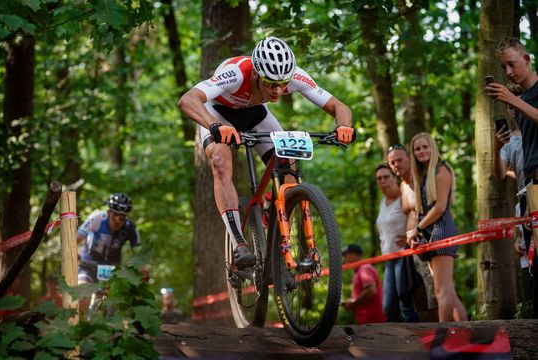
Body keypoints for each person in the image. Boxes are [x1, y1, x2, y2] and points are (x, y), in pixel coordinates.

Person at [177, 36, 354, 270]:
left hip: (255, 113)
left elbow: (339, 107)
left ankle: (278, 229)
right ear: (256, 74)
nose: (279, 91)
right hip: (217, 112)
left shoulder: (292, 75)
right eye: (271, 84)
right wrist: (214, 126)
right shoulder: (236, 73)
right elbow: (188, 99)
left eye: (283, 84)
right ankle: (239, 243)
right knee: (220, 160)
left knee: (289, 164)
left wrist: (343, 126)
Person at [488, 37, 538, 317]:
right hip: (529, 188)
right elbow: (498, 172)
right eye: (503, 67)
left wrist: (513, 100)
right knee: (534, 261)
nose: (508, 72)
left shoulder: (527, 96)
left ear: (527, 59)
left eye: (512, 64)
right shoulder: (522, 99)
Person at [406, 133, 467, 322]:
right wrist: (419, 232)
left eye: (425, 147)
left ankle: (445, 335)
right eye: (417, 149)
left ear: (433, 148)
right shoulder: (423, 174)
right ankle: (466, 331)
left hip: (441, 231)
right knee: (449, 292)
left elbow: (440, 207)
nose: (421, 151)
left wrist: (417, 228)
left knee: (441, 292)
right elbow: (424, 210)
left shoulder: (442, 169)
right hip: (429, 233)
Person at [387, 144, 438, 321]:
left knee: (435, 292)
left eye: (399, 160)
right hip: (412, 246)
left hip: (428, 240)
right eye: (392, 162)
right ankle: (429, 336)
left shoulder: (422, 180)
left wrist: (421, 233)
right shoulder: (403, 186)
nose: (396, 165)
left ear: (409, 158)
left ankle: (447, 334)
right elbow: (408, 214)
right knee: (419, 296)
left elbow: (435, 210)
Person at [374, 164, 419, 322]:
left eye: (386, 177)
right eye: (379, 178)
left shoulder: (403, 197)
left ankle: (416, 341)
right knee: (388, 307)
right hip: (388, 260)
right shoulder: (382, 202)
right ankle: (393, 342)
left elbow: (415, 213)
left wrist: (409, 234)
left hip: (403, 257)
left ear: (395, 177)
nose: (383, 181)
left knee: (405, 304)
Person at [77, 193, 140, 285]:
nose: (118, 221)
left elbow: (139, 253)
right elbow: (75, 240)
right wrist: (74, 254)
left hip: (111, 269)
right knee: (82, 289)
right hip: (88, 265)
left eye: (122, 218)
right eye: (115, 216)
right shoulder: (96, 218)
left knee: (108, 296)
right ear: (108, 212)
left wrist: (141, 268)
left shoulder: (130, 227)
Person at [341, 244, 385, 324]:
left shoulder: (364, 268)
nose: (345, 258)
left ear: (355, 255)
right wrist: (351, 302)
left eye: (347, 254)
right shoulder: (358, 271)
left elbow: (371, 290)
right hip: (367, 322)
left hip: (373, 323)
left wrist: (354, 303)